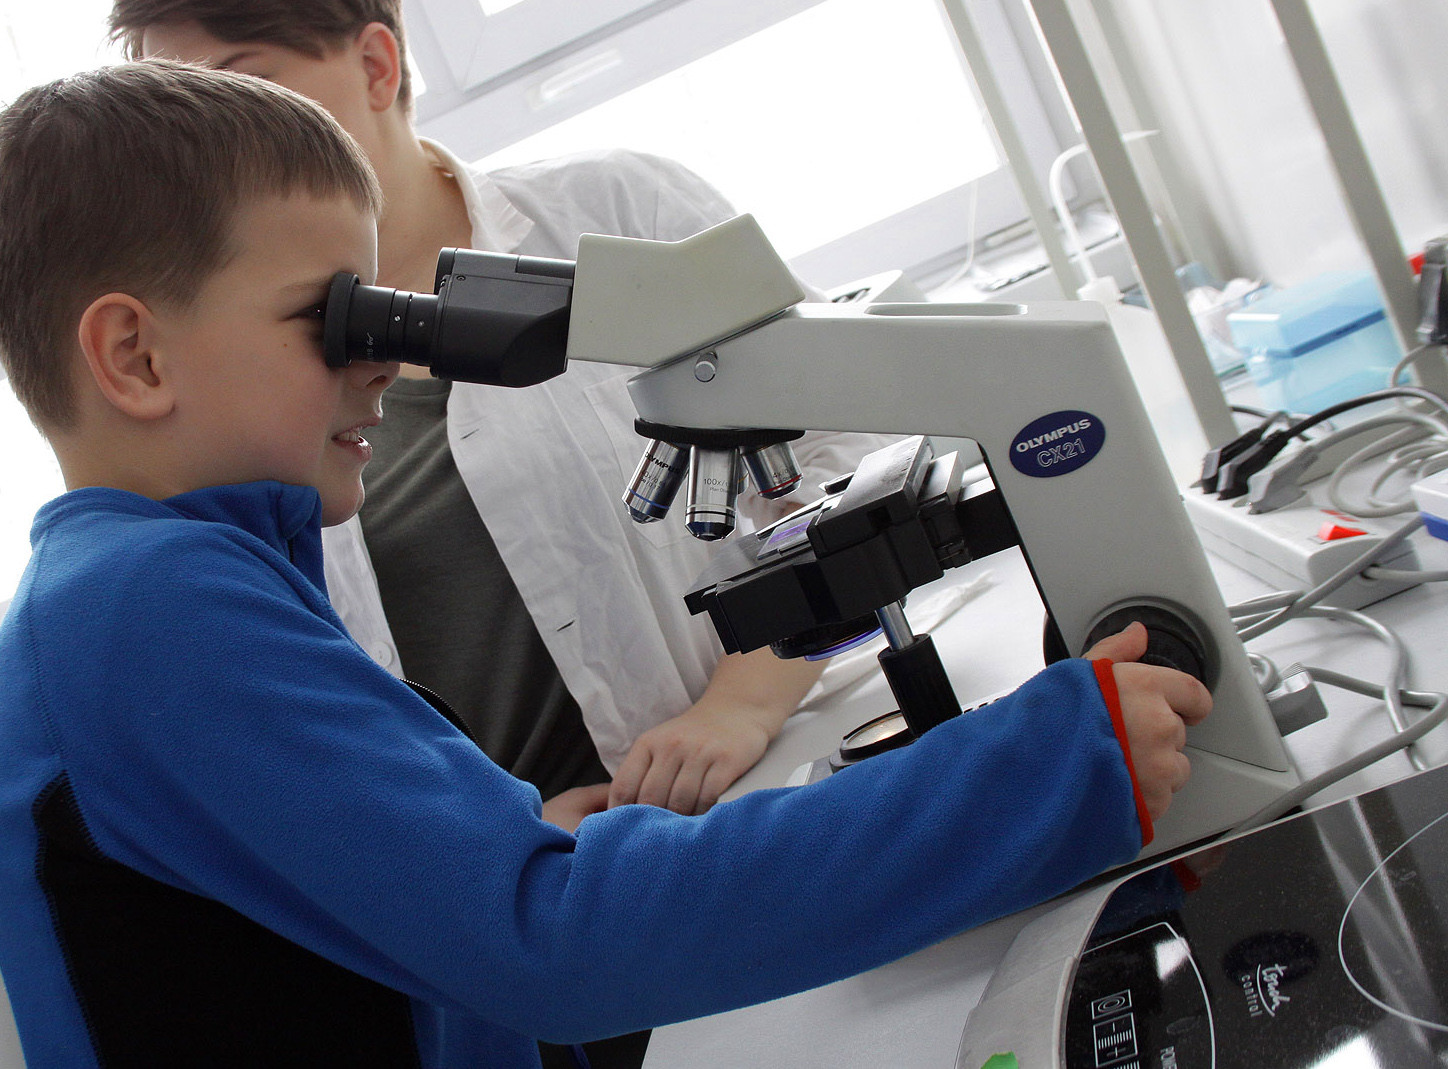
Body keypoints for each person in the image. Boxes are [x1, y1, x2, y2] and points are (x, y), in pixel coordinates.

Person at [0, 62, 1208, 1069]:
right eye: (333, 319)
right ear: (135, 357)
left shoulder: (155, 587)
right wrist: (1048, 767)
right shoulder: (150, 615)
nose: (382, 361)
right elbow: (554, 941)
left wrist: (498, 832)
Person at [109, 0, 900, 825]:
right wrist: (496, 846)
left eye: (243, 88)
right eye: (181, 124)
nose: (211, 151)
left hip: (767, 788)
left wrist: (743, 703)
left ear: (377, 66)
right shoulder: (230, 367)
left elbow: (852, 449)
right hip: (524, 876)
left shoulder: (614, 213)